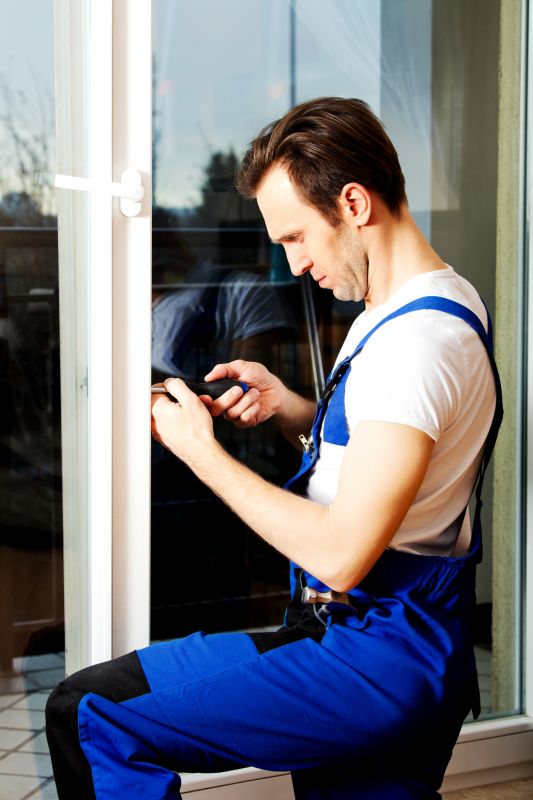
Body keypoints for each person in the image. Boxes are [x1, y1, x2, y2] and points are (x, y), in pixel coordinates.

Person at [45, 97, 501, 799]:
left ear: (353, 204)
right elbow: (396, 453)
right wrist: (293, 409)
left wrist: (200, 451)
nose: (292, 264)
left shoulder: (416, 345)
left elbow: (341, 554)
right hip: (406, 649)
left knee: (90, 713)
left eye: (295, 237)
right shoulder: (427, 302)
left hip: (369, 655)